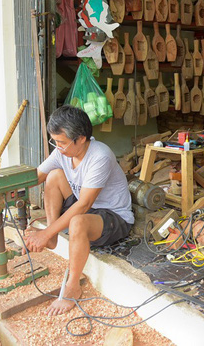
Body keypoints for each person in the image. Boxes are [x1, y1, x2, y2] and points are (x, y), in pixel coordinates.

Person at [23, 105, 133, 316]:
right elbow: (36, 176)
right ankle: (53, 236)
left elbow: (83, 204)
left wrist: (44, 233)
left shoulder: (100, 156)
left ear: (81, 139)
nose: (58, 146)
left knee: (77, 221)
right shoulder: (63, 151)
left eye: (62, 142)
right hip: (90, 208)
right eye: (55, 141)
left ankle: (73, 286)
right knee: (54, 176)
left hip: (114, 216)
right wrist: (7, 188)